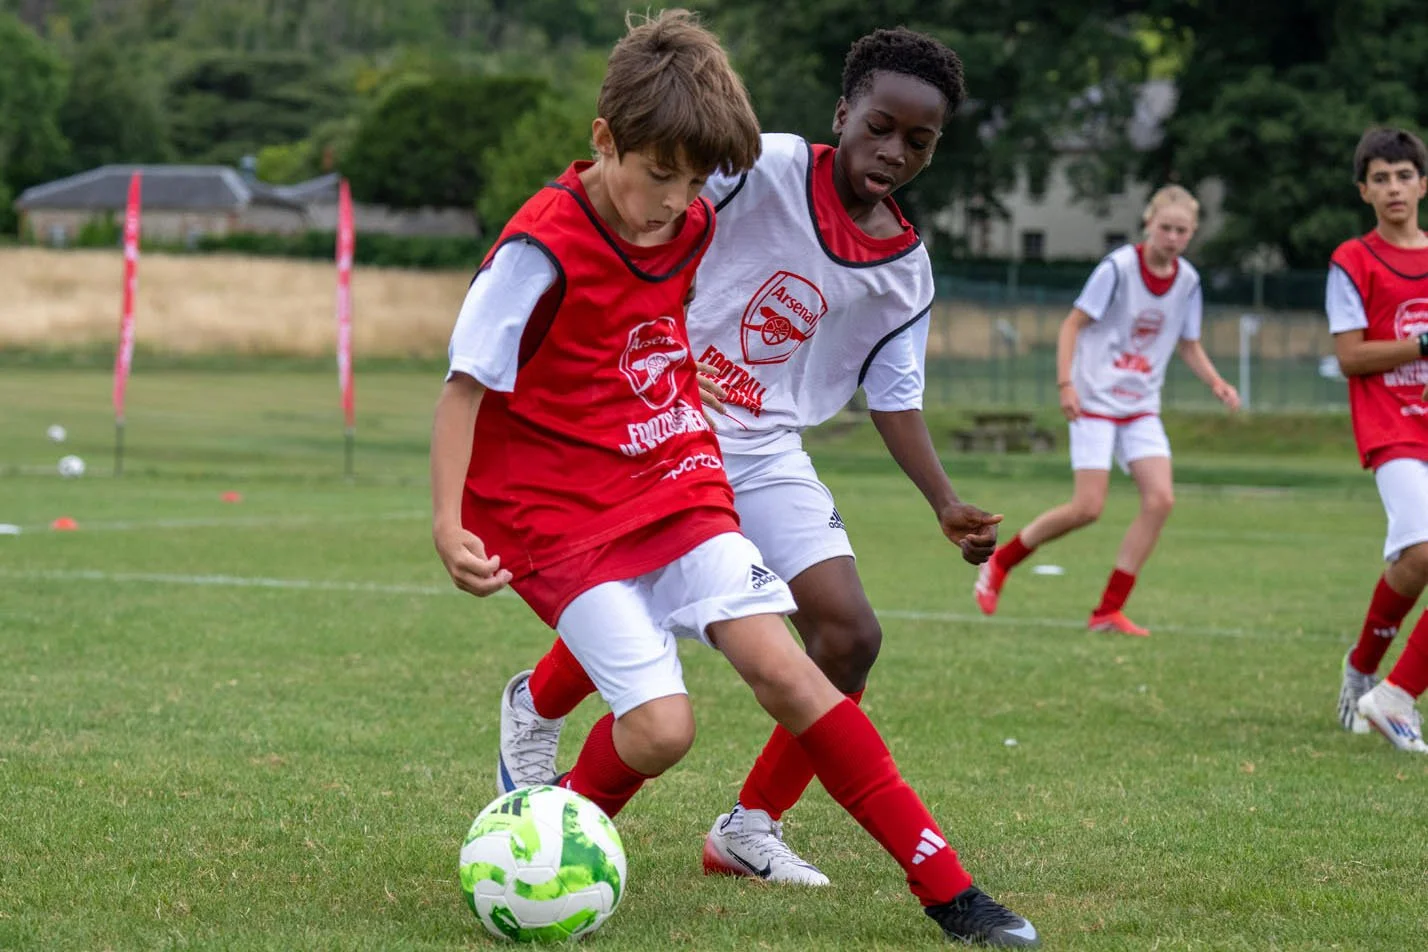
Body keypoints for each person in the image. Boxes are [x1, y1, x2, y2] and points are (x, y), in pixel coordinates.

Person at [433, 11, 1039, 945]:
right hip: (621, 455)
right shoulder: (749, 167)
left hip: (725, 456)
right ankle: (548, 789)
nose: (677, 200)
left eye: (919, 140)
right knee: (664, 711)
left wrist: (944, 499)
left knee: (831, 643)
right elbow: (651, 163)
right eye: (881, 126)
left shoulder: (898, 265)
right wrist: (448, 517)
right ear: (845, 112)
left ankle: (873, 867)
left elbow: (893, 392)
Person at [973, 185, 1240, 636]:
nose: (1172, 237)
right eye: (1165, 228)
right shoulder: (1118, 268)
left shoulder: (1189, 281)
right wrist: (1066, 385)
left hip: (1140, 407)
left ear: (1191, 234)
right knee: (1087, 507)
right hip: (1094, 401)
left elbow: (1188, 343)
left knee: (1160, 500)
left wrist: (1216, 382)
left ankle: (1107, 611)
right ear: (1148, 225)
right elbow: (1072, 325)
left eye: (1182, 231)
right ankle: (1001, 562)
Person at [1326, 127, 1428, 753]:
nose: (1394, 188)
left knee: (1416, 561)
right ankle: (1393, 694)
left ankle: (1365, 669)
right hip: (1392, 431)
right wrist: (1421, 345)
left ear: (1424, 183)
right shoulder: (1353, 260)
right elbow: (1350, 357)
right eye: (1381, 178)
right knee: (1423, 551)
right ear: (1364, 190)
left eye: (1405, 176)